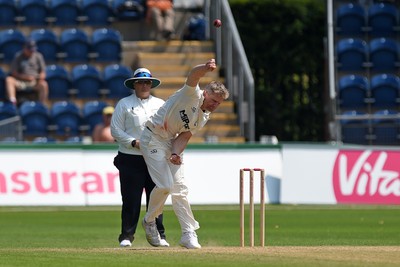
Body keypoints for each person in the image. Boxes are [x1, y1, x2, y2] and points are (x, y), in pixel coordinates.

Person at [140, 58, 229, 249]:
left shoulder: (204, 117)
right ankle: (149, 220)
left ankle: (188, 234)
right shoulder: (191, 95)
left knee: (180, 188)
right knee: (165, 185)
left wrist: (175, 153)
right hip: (153, 137)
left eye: (218, 104)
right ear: (205, 93)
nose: (214, 105)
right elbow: (193, 75)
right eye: (213, 100)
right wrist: (205, 68)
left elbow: (184, 136)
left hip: (171, 141)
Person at [110, 67, 169, 247]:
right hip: (130, 157)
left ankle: (160, 234)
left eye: (147, 82)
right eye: (141, 82)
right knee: (131, 198)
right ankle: (127, 236)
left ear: (151, 84)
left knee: (156, 198)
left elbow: (168, 127)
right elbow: (115, 130)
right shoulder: (124, 104)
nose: (144, 85)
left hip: (155, 157)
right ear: (134, 84)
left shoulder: (160, 104)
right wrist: (133, 142)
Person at [6, 39, 48, 106]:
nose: (31, 52)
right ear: (24, 48)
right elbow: (14, 73)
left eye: (33, 50)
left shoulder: (38, 56)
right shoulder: (18, 56)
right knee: (9, 80)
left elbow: (43, 72)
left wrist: (40, 77)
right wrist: (25, 77)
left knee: (44, 84)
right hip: (20, 81)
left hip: (34, 82)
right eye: (29, 50)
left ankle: (41, 106)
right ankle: (12, 102)